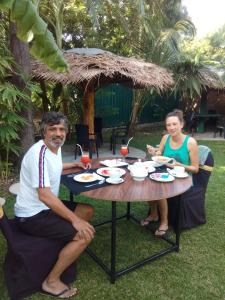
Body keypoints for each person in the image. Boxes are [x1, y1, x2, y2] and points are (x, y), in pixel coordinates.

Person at [14, 111, 95, 298]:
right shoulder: (39, 153)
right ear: (44, 131)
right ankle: (51, 281)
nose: (58, 133)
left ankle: (63, 250)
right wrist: (75, 221)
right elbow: (44, 195)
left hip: (45, 208)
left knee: (87, 210)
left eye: (61, 129)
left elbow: (54, 166)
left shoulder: (54, 148)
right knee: (85, 234)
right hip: (31, 215)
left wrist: (75, 164)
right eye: (53, 129)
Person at [141, 109, 199, 236]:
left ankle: (164, 222)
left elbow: (195, 168)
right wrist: (153, 152)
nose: (171, 128)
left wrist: (179, 165)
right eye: (168, 125)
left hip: (183, 178)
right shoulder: (165, 138)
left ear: (181, 124)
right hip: (166, 173)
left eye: (174, 124)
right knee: (148, 182)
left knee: (160, 189)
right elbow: (159, 153)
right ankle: (154, 214)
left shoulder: (190, 142)